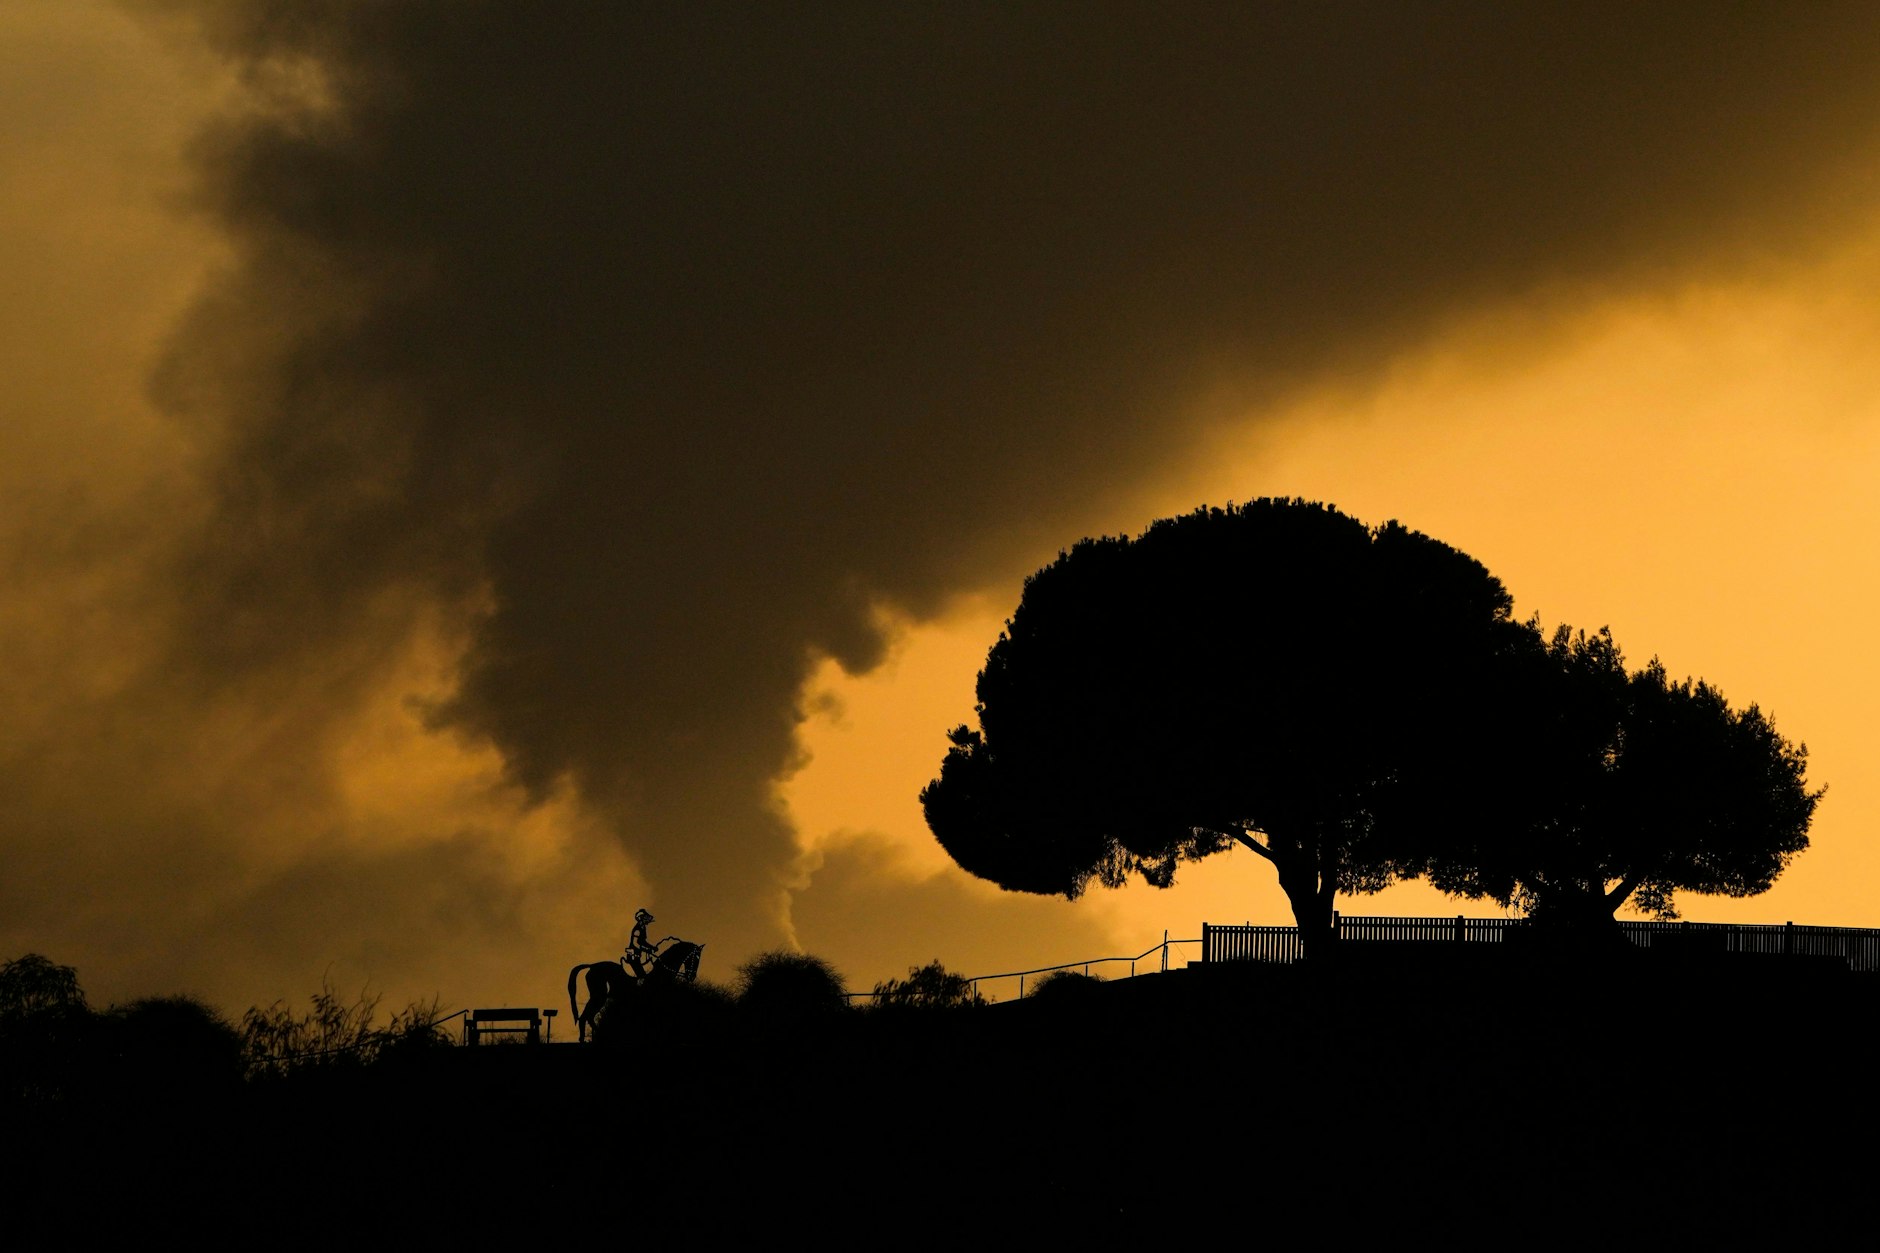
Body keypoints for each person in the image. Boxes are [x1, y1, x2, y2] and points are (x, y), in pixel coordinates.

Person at [624, 907, 660, 977]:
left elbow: (643, 942)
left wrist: (652, 947)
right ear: (641, 919)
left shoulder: (643, 928)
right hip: (633, 957)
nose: (647, 920)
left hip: (637, 956)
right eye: (645, 918)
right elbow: (635, 944)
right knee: (642, 976)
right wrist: (648, 949)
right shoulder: (637, 930)